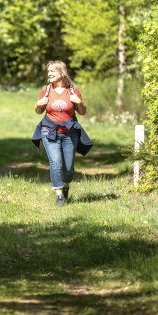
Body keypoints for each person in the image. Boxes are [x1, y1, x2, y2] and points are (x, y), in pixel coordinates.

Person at [32, 60, 92, 206]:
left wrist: (79, 102)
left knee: (68, 167)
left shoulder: (73, 90)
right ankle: (59, 195)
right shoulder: (46, 90)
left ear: (61, 72)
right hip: (49, 131)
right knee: (56, 163)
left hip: (70, 133)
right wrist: (37, 104)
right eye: (48, 72)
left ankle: (66, 186)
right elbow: (39, 111)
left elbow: (82, 112)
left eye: (52, 71)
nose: (49, 74)